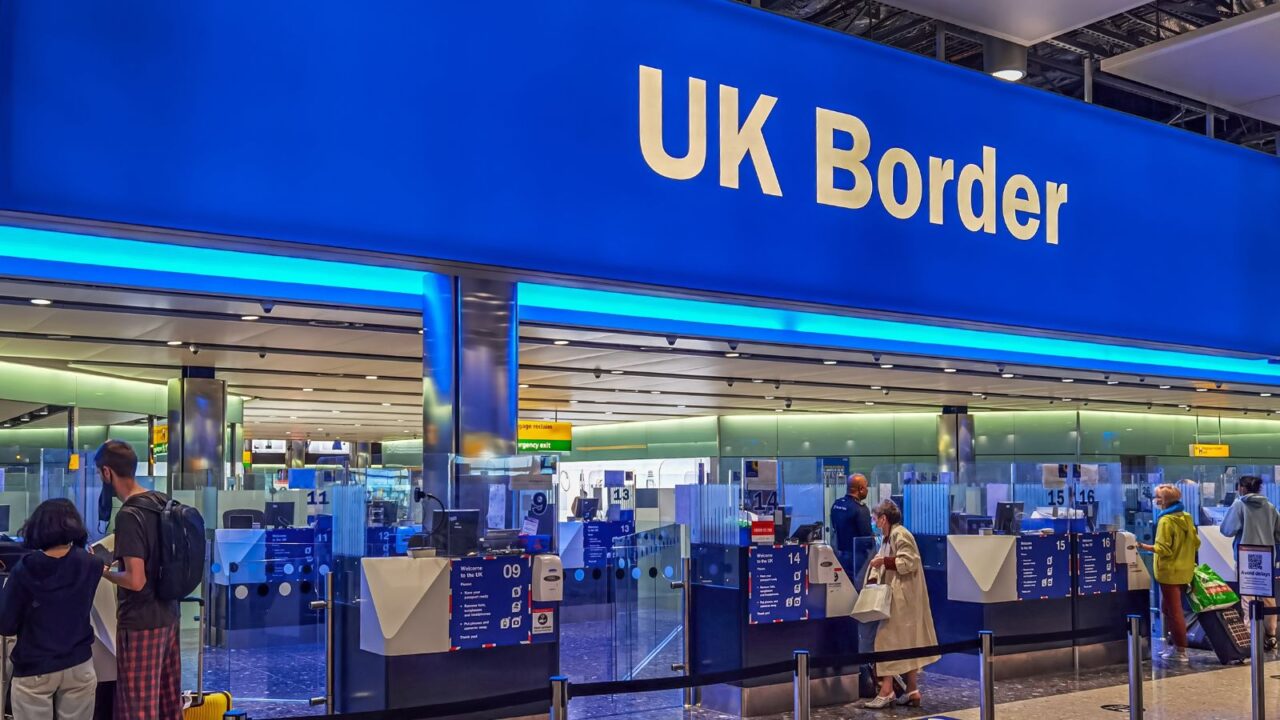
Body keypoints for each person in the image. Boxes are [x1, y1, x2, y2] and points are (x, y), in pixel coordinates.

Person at [96, 440, 183, 720]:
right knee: (169, 704)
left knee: (137, 708)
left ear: (107, 473)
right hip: (169, 614)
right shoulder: (161, 501)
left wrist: (104, 571)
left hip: (141, 622)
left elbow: (135, 580)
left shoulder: (130, 514)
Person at [0, 499, 106, 720]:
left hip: (35, 667)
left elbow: (6, 624)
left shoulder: (25, 568)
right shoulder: (92, 564)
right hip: (79, 664)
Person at [862, 499, 939, 710]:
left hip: (903, 598)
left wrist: (883, 563)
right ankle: (912, 689)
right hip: (900, 597)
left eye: (875, 518)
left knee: (886, 640)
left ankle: (886, 691)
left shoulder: (900, 534)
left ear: (883, 518)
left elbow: (909, 561)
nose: (874, 522)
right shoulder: (888, 537)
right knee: (907, 643)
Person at [1139, 483, 1200, 664]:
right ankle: (1171, 645)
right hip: (1185, 570)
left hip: (1170, 573)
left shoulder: (1165, 521)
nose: (1155, 500)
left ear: (1164, 500)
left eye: (1157, 497)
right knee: (1167, 608)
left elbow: (1163, 549)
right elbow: (1196, 543)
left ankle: (1181, 650)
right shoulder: (1186, 517)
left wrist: (1141, 546)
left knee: (1174, 612)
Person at [1220, 475, 1280, 650]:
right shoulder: (1270, 507)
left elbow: (1227, 530)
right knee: (1268, 597)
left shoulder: (1239, 505)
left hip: (1246, 556)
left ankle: (1252, 637)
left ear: (1242, 488)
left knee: (1248, 598)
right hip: (1267, 556)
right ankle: (1271, 636)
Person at [829, 472, 874, 584]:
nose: (867, 490)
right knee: (856, 588)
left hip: (839, 555)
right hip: (856, 558)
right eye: (866, 486)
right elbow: (867, 539)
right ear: (861, 489)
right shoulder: (860, 509)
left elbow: (834, 527)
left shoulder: (836, 504)